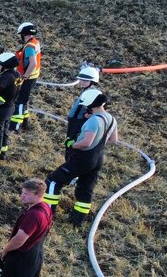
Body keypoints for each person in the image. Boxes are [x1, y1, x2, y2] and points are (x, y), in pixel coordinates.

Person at [45, 90, 119, 227]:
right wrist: (100, 140)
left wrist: (72, 144)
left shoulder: (93, 121)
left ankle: (46, 213)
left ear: (90, 104)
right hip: (98, 158)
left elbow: (86, 142)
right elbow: (113, 140)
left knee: (53, 181)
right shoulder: (111, 118)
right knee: (85, 189)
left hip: (83, 158)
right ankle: (77, 221)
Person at [10, 22, 42, 133]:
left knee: (19, 101)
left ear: (24, 34)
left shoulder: (29, 47)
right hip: (32, 77)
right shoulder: (34, 42)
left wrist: (24, 76)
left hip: (28, 78)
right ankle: (25, 123)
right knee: (24, 100)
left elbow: (32, 63)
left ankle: (15, 127)